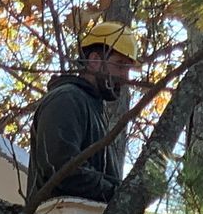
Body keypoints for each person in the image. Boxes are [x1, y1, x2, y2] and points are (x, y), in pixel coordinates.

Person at [26, 21, 141, 204]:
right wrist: (116, 196)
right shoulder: (67, 99)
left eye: (128, 69)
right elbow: (61, 167)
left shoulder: (94, 110)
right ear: (95, 61)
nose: (125, 77)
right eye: (120, 65)